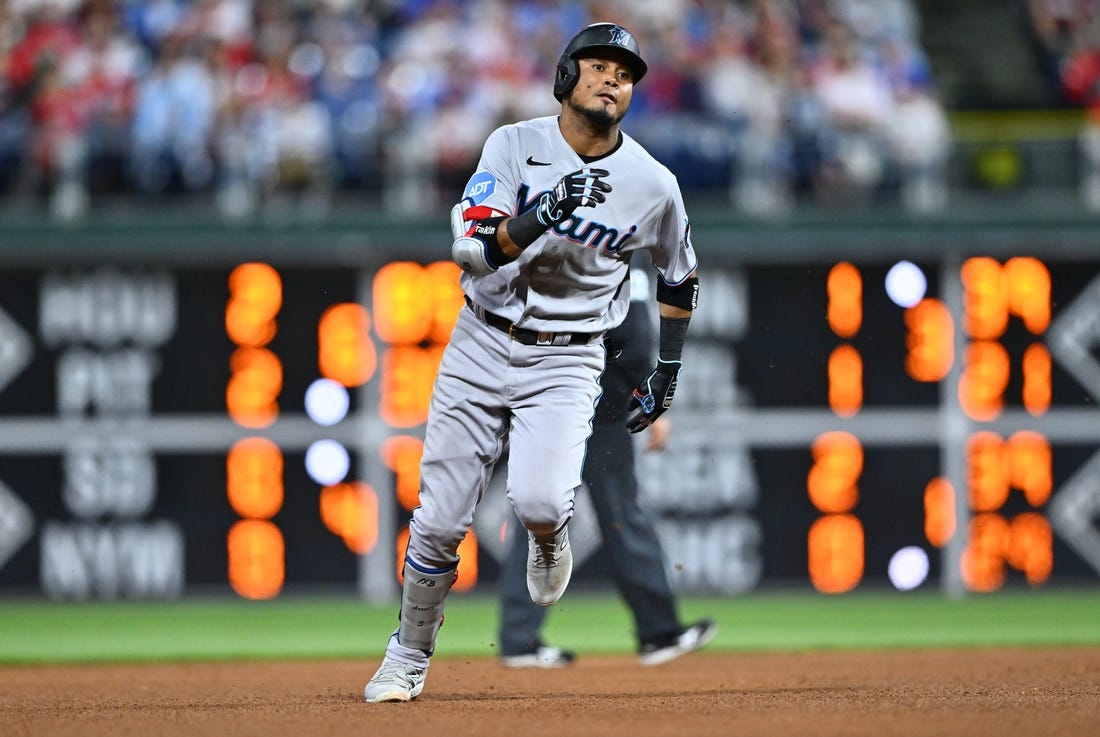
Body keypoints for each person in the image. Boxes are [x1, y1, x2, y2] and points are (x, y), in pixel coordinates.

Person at [364, 22, 701, 703]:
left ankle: (550, 537)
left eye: (625, 72)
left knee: (544, 502)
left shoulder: (652, 183)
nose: (613, 79)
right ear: (565, 76)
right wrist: (544, 210)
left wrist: (666, 372)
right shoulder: (514, 144)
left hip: (570, 356)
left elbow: (678, 277)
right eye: (599, 65)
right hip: (482, 339)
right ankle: (407, 655)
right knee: (439, 518)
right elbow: (475, 251)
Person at [497, 271, 717, 669]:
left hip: (578, 408)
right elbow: (631, 339)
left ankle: (522, 638)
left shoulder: (578, 258)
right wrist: (646, 394)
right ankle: (655, 631)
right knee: (592, 517)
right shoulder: (602, 253)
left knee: (560, 516)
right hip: (584, 409)